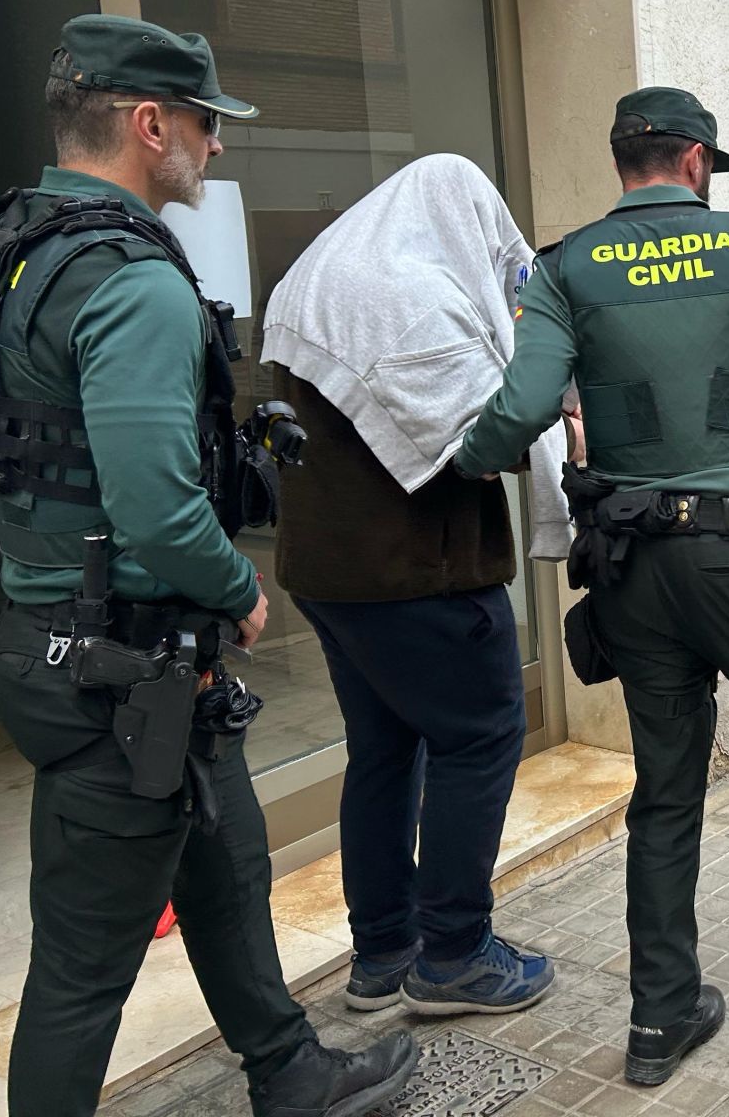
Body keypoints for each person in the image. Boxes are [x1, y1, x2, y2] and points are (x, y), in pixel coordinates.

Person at [0, 16, 415, 1117]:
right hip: (116, 674)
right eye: (204, 123)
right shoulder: (132, 280)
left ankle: (291, 1072)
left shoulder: (11, 250)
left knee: (228, 862)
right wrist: (240, 589)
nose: (218, 147)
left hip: (87, 652)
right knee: (84, 970)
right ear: (150, 124)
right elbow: (154, 507)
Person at [453, 87, 729, 1086]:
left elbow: (519, 409)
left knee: (664, 794)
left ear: (626, 162)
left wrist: (457, 458)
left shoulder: (565, 268)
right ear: (696, 161)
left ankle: (660, 1020)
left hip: (632, 573)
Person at [260, 153, 574, 1018]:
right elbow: (483, 438)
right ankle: (456, 955)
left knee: (385, 751)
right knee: (481, 737)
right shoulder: (405, 295)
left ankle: (382, 951)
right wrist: (548, 407)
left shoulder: (315, 277)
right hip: (417, 573)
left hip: (327, 575)